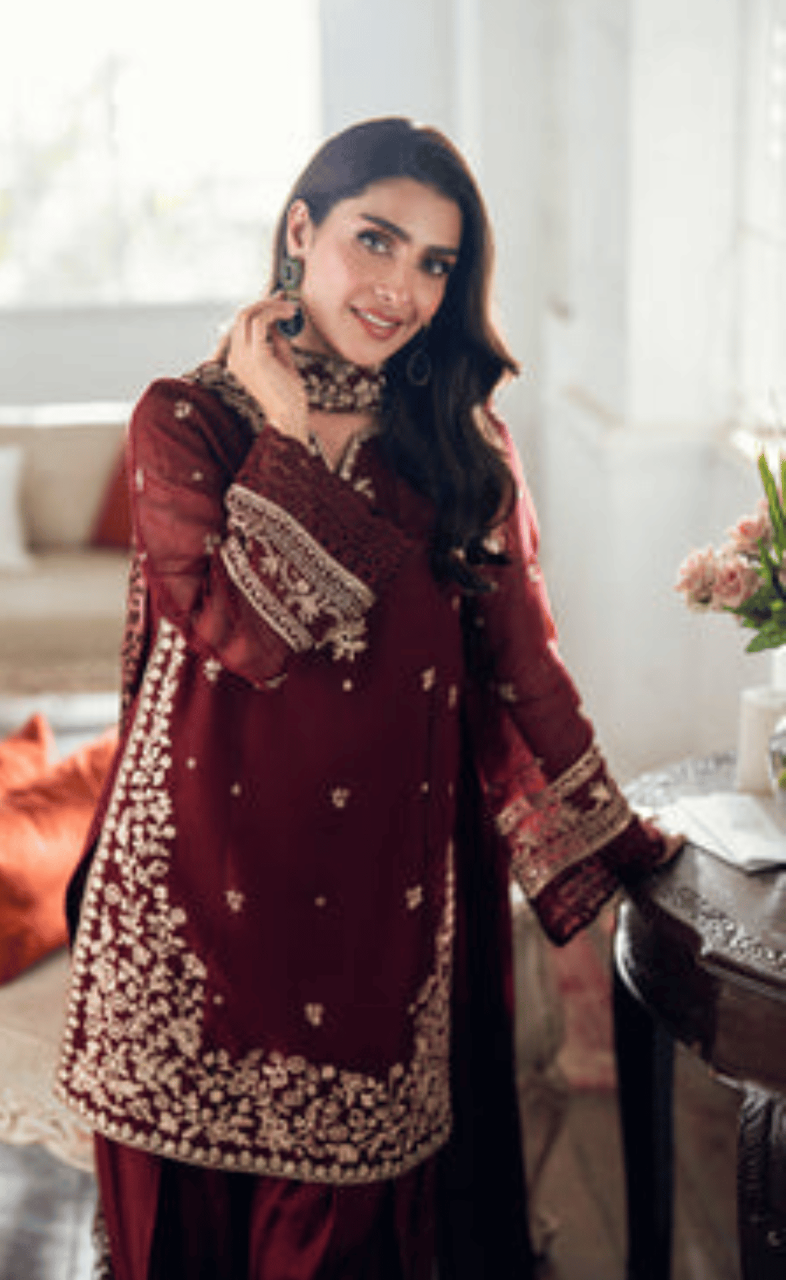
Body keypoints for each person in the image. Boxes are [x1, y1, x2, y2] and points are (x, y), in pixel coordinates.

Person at [57, 117, 680, 1280]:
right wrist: (290, 431)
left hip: (374, 913)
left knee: (349, 1235)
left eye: (435, 264)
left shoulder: (459, 448)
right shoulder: (185, 423)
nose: (401, 290)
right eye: (375, 242)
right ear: (302, 231)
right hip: (188, 903)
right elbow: (246, 634)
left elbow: (522, 665)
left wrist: (622, 837)